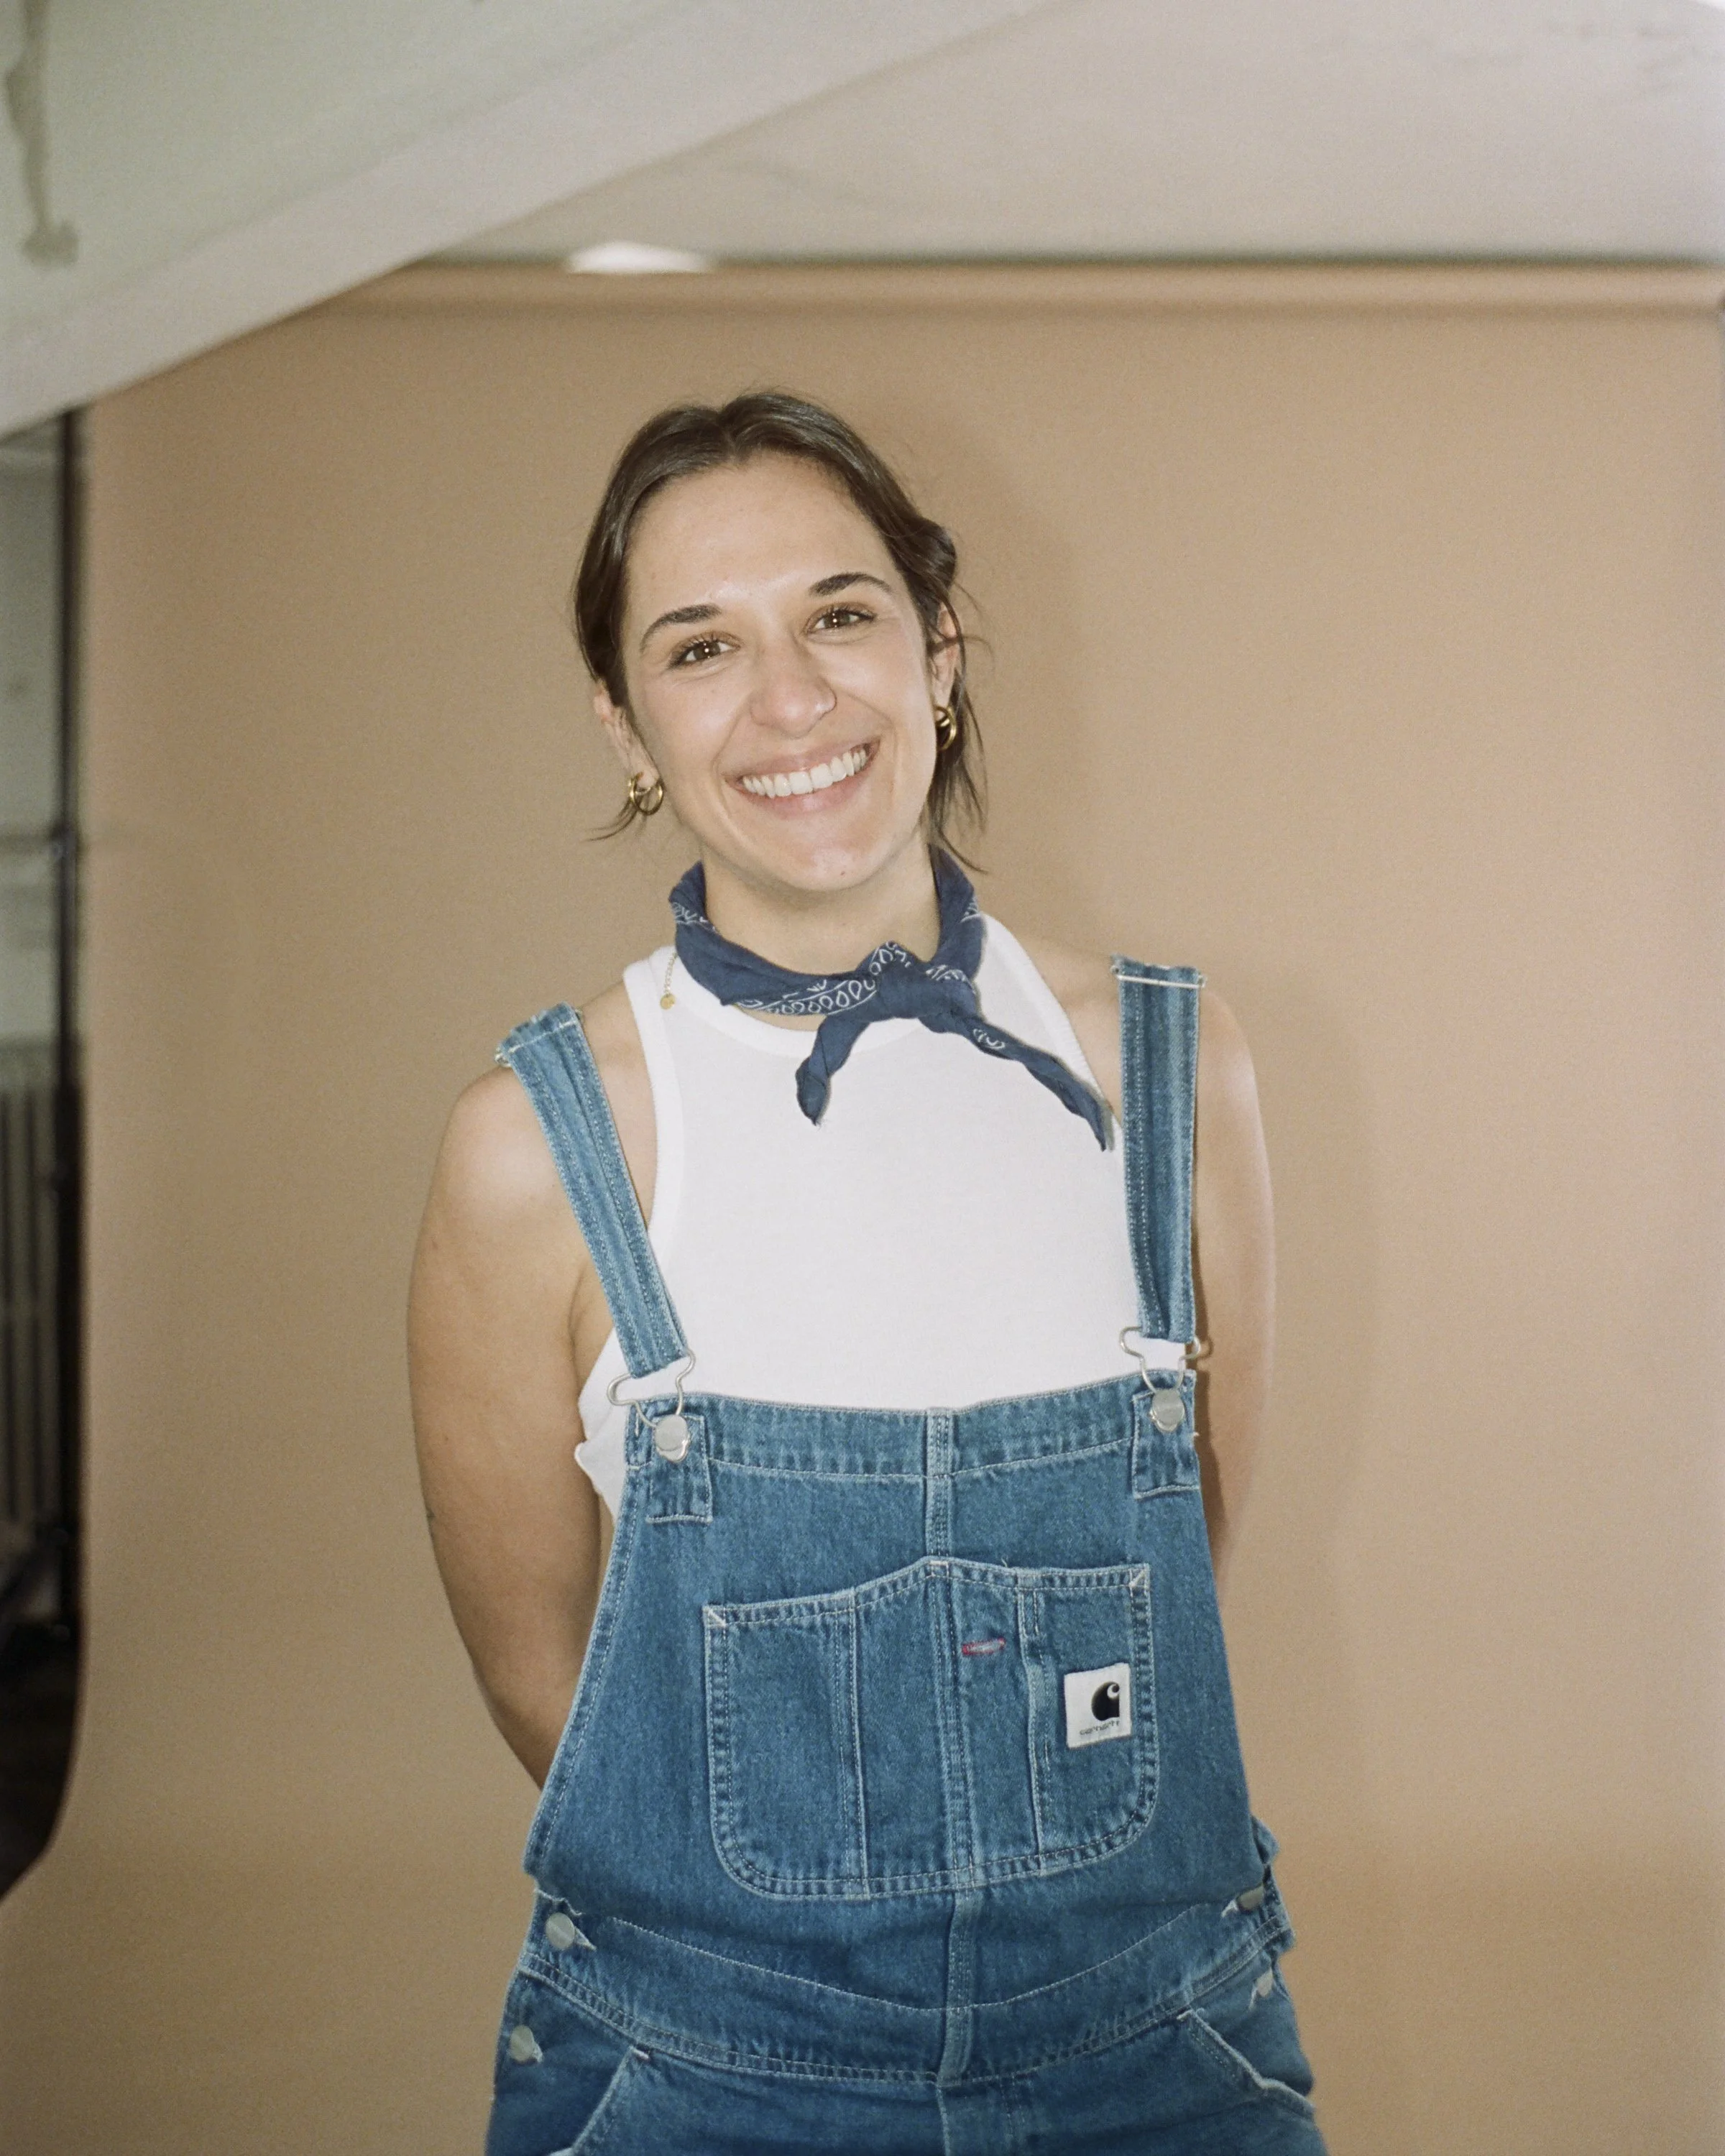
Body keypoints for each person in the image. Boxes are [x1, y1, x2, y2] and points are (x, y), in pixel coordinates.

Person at [408, 392, 1325, 2154]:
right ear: (623, 723)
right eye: (701, 647)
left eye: (840, 614)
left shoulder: (1174, 1070)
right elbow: (549, 1695)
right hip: (701, 2078)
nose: (792, 701)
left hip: (1161, 2059)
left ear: (940, 648)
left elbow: (1176, 1565)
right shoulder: (534, 1145)